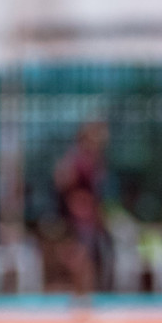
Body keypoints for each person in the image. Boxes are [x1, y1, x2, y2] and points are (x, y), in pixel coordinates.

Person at [53, 120, 107, 296]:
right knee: (82, 256)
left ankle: (83, 295)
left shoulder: (93, 159)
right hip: (80, 214)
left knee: (87, 255)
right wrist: (77, 201)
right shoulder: (78, 159)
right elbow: (62, 180)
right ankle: (79, 294)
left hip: (88, 214)